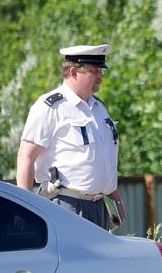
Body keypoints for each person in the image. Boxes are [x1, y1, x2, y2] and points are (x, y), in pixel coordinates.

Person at [16, 44, 126, 230]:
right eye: (94, 71)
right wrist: (24, 208)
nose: (100, 76)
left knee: (98, 260)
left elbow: (103, 159)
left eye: (100, 71)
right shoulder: (50, 106)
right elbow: (26, 156)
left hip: (99, 206)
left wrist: (117, 201)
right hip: (66, 205)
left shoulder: (98, 108)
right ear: (74, 72)